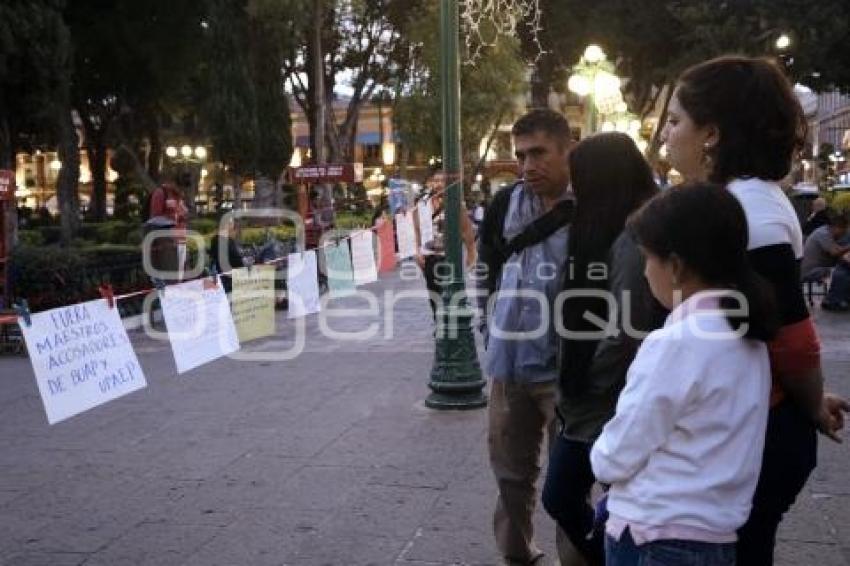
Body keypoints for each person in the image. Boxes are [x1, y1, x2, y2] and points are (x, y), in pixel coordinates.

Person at [660, 55, 849, 564]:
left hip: (758, 436)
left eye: (675, 121)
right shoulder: (734, 201)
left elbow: (791, 336)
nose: (666, 137)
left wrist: (810, 404)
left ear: (712, 134)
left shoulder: (751, 212)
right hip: (744, 426)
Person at [592, 182, 779, 565]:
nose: (644, 272)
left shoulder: (675, 342)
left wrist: (600, 457)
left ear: (675, 265)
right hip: (715, 535)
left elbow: (623, 446)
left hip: (654, 534)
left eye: (647, 258)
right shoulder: (750, 336)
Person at [541, 132, 664, 565]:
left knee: (560, 495)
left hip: (602, 399)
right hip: (587, 396)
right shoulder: (604, 227)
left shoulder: (631, 238)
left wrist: (589, 378)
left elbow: (626, 327)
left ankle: (606, 555)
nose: (574, 188)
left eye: (581, 178)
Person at [476, 108, 575, 566]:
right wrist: (485, 321)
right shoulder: (505, 203)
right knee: (510, 474)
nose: (527, 165)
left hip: (566, 370)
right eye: (520, 155)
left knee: (569, 481)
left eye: (538, 153)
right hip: (508, 364)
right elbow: (489, 267)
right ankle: (518, 555)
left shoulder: (593, 207)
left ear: (566, 148)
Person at [413, 189, 476, 321]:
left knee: (452, 290)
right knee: (434, 292)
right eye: (435, 180)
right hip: (429, 256)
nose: (438, 184)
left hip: (450, 256)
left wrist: (471, 252)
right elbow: (417, 229)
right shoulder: (422, 204)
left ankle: (452, 323)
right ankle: (439, 323)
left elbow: (466, 229)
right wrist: (417, 251)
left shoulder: (456, 202)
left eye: (441, 180)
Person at [146, 178, 188, 283]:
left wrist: (182, 214)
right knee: (170, 277)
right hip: (167, 241)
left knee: (179, 276)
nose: (181, 190)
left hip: (180, 239)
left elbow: (183, 214)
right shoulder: (161, 193)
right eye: (180, 187)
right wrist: (171, 219)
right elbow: (155, 218)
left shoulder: (179, 196)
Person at [209, 217, 246, 293]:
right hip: (230, 279)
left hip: (220, 277)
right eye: (232, 223)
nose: (233, 225)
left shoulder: (214, 240)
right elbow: (237, 260)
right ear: (227, 225)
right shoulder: (228, 242)